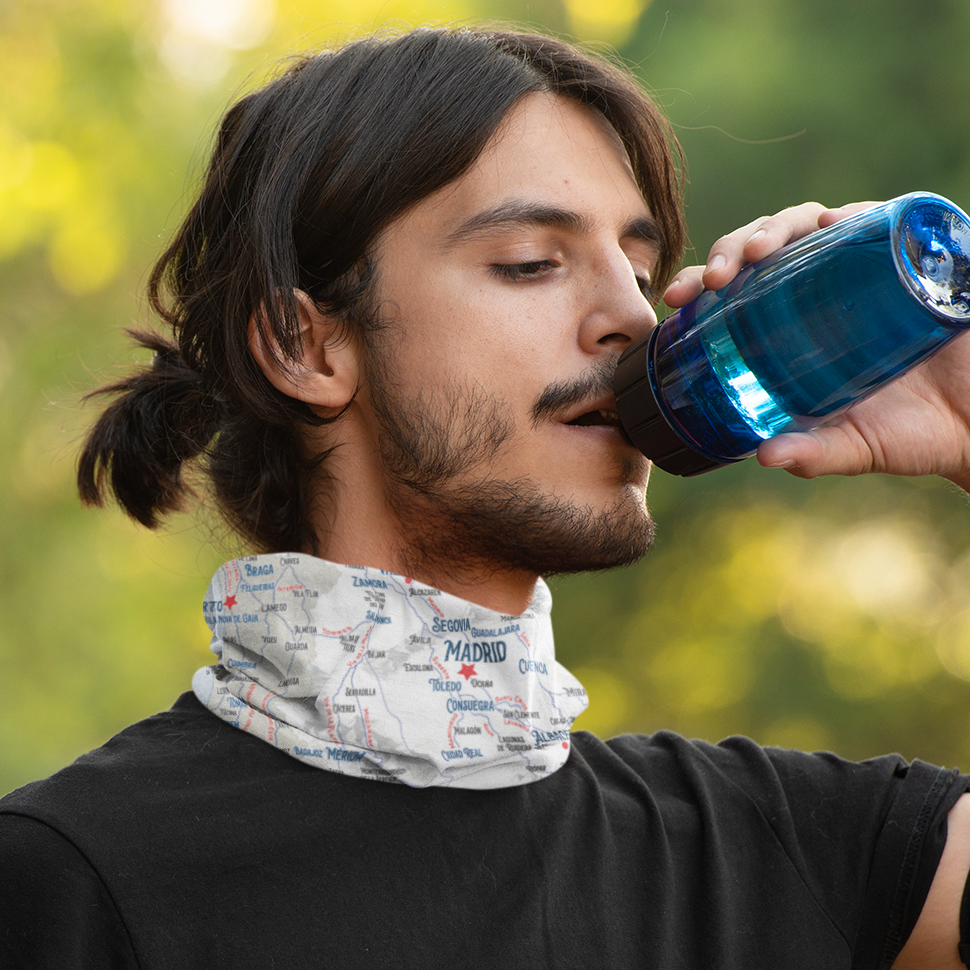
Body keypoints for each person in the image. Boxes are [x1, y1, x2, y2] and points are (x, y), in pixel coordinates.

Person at [1, 24, 968, 969]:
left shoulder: (785, 851)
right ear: (306, 346)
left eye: (639, 270)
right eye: (530, 262)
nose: (634, 317)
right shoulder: (76, 875)